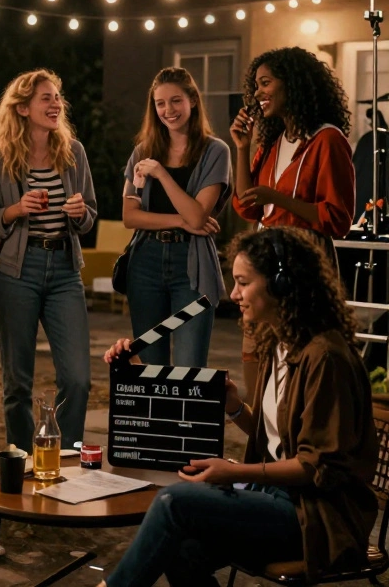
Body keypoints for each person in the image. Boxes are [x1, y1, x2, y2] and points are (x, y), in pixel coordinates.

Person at [99, 226, 377, 587]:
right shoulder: (279, 344)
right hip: (277, 498)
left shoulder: (325, 357)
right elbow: (280, 443)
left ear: (280, 284)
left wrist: (235, 473)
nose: (234, 294)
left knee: (173, 503)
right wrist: (234, 407)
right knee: (182, 548)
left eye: (243, 282)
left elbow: (316, 465)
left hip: (317, 514)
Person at [0, 69, 96, 451]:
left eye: (57, 96)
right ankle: (22, 461)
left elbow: (90, 214)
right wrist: (14, 210)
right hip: (16, 272)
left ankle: (70, 459)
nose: (56, 103)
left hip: (64, 270)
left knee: (78, 377)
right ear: (23, 108)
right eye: (46, 98)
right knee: (17, 383)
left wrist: (79, 213)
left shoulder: (73, 153)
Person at [230, 46, 355, 400]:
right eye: (255, 85)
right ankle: (260, 443)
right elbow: (248, 205)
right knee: (256, 357)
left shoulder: (328, 140)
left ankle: (293, 444)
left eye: (266, 82)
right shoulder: (271, 143)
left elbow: (338, 218)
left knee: (297, 361)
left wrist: (278, 198)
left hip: (303, 269)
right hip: (264, 266)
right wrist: (241, 147)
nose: (257, 93)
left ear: (293, 85)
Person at [121, 67, 232, 367]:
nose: (168, 110)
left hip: (191, 265)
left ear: (192, 100)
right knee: (150, 368)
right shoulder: (141, 151)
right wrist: (180, 221)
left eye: (176, 101)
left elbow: (197, 218)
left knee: (189, 368)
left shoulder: (215, 151)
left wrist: (161, 173)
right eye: (160, 103)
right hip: (145, 263)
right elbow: (130, 217)